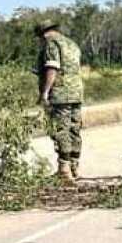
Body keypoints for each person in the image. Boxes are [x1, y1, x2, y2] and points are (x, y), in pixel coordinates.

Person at [33, 20, 84, 183]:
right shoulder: (72, 44)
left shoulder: (51, 44)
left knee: (61, 129)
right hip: (76, 91)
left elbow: (52, 68)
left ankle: (64, 171)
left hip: (61, 93)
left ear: (43, 34)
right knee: (74, 129)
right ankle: (74, 167)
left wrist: (45, 92)